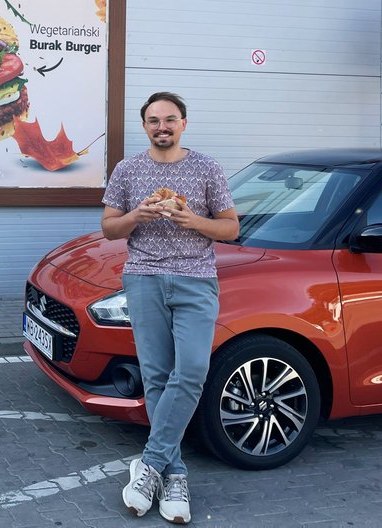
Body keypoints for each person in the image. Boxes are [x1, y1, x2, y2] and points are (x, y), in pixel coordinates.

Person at [100, 92, 239, 524]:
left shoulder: (207, 168)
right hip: (142, 279)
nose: (163, 126)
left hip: (196, 280)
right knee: (157, 377)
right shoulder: (127, 170)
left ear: (183, 124)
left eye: (170, 119)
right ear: (144, 126)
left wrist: (193, 220)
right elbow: (108, 229)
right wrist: (136, 217)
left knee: (192, 370)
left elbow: (231, 228)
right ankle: (174, 472)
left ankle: (150, 464)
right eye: (154, 120)